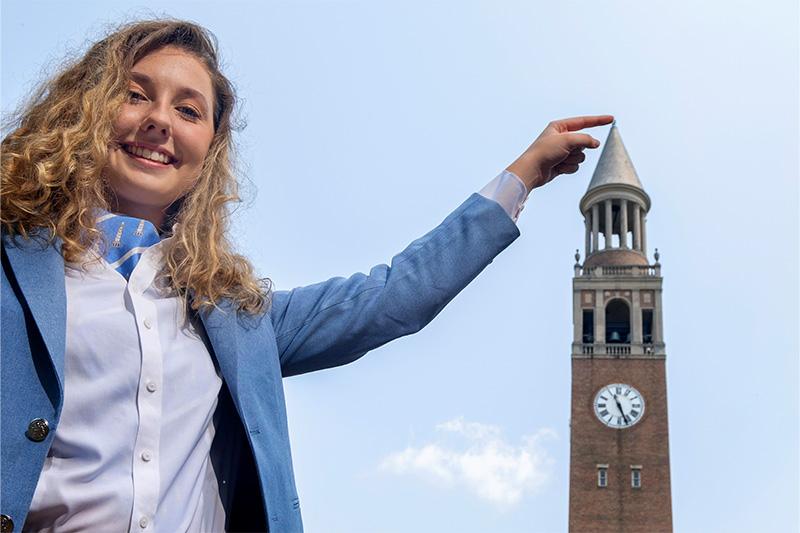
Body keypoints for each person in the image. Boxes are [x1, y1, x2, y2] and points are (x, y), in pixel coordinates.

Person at [0, 18, 612, 533]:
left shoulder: (236, 317)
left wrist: (522, 175)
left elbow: (393, 296)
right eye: (135, 94)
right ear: (86, 108)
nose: (161, 120)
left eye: (188, 110)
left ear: (209, 150)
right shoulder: (12, 265)